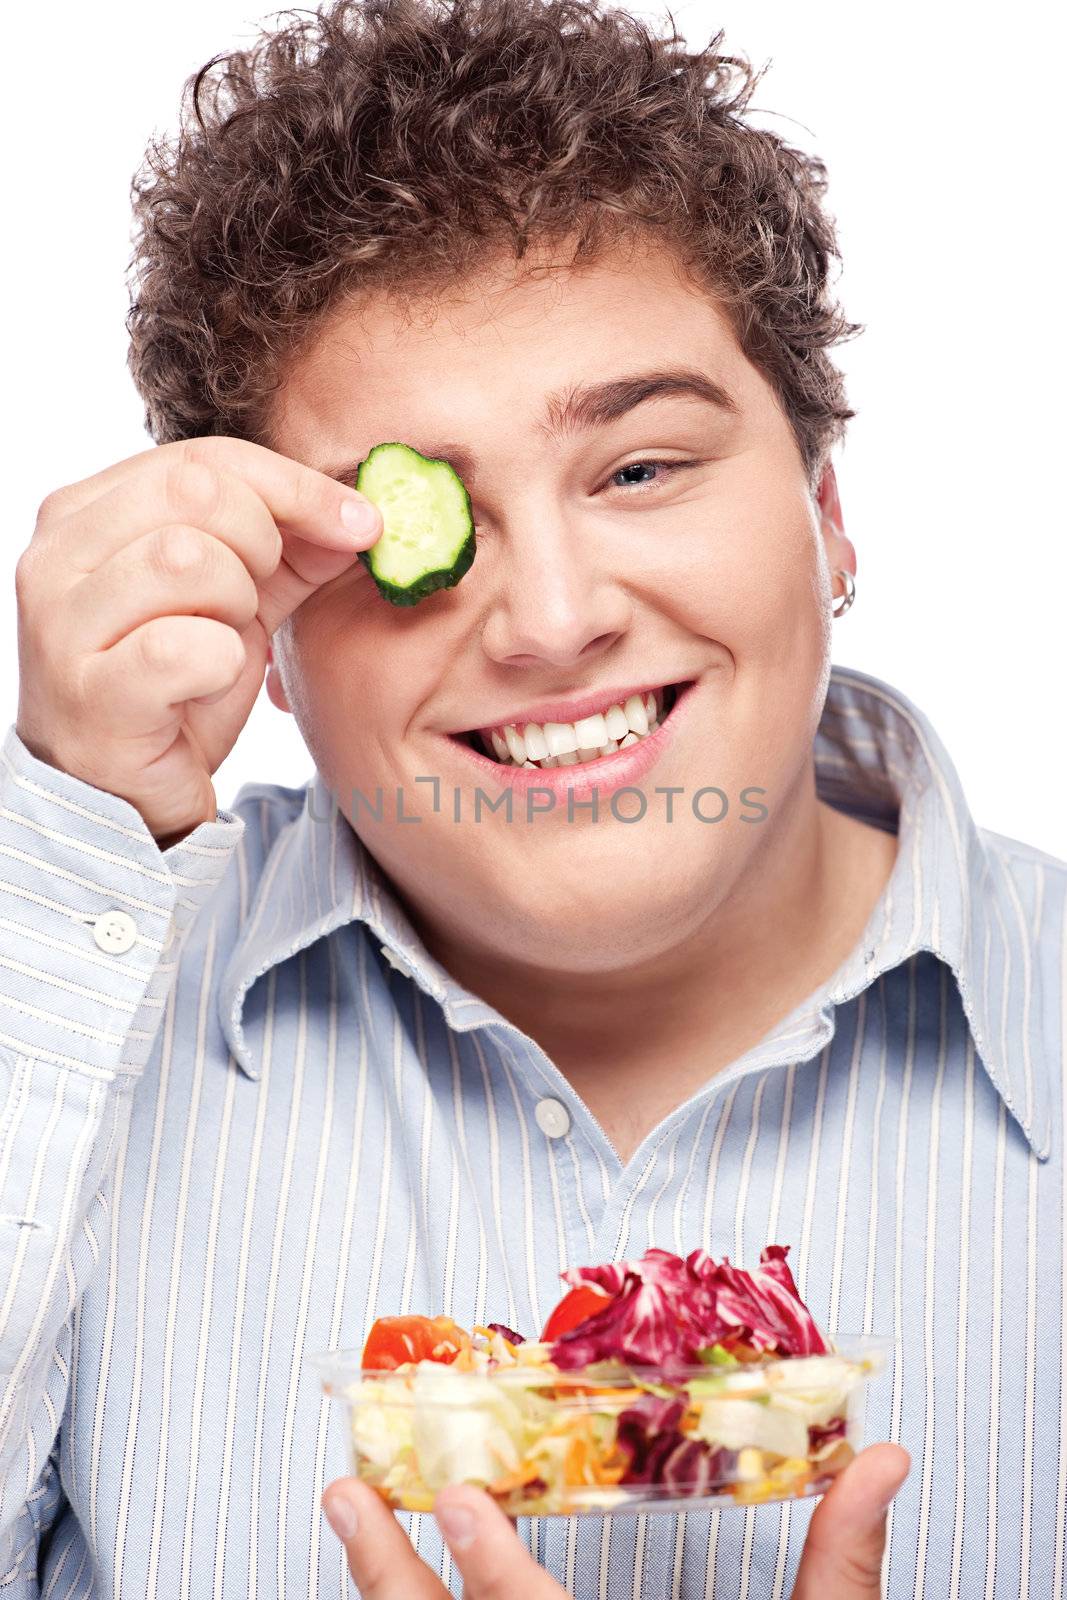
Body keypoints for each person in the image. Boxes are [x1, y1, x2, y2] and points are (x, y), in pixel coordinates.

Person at [3, 0, 1061, 1593]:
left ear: (830, 518)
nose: (554, 617)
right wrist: (69, 835)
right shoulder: (72, 1030)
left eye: (641, 470)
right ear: (267, 636)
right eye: (418, 523)